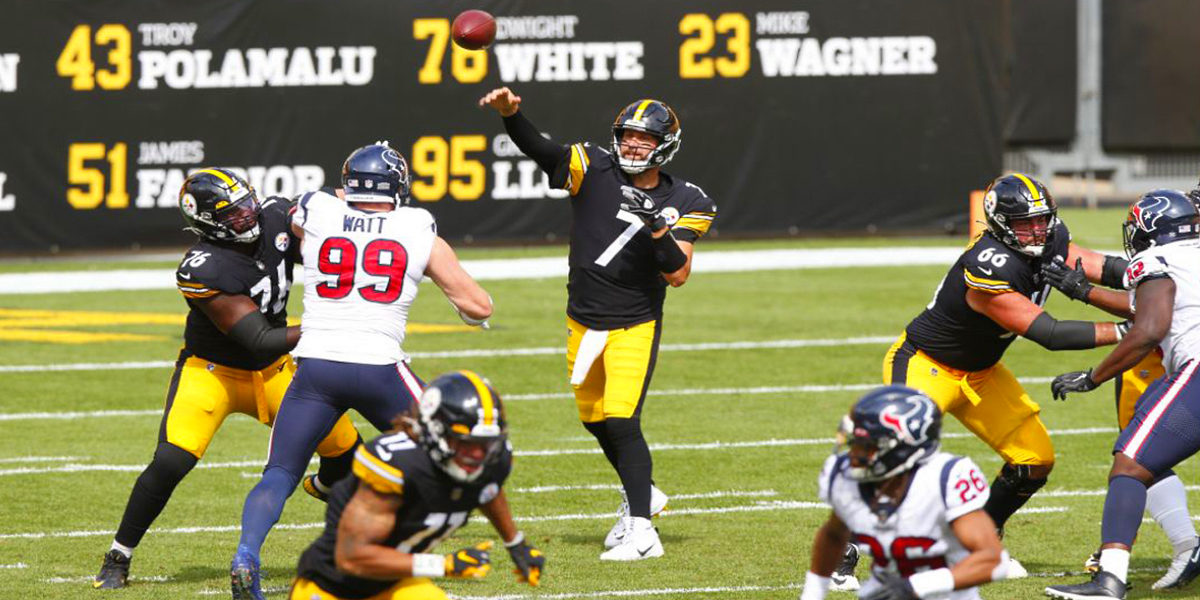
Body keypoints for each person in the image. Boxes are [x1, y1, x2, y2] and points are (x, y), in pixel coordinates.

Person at [230, 143, 494, 599]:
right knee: (444, 457)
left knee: (279, 473)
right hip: (379, 368)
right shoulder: (417, 227)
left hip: (316, 367)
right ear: (398, 186)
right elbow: (477, 306)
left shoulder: (318, 208)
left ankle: (246, 554)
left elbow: (302, 215)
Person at [92, 168, 362, 589]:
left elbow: (330, 202)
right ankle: (118, 555)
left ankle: (326, 485)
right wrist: (326, 323)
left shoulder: (273, 215)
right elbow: (259, 339)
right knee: (171, 461)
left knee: (346, 448)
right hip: (214, 372)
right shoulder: (202, 267)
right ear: (208, 224)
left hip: (273, 373)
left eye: (247, 204)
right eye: (233, 215)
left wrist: (362, 196)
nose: (248, 216)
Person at [479, 87, 717, 560]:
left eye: (643, 139)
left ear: (665, 144)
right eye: (627, 137)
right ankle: (644, 494)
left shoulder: (689, 198)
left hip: (634, 322)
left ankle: (643, 531)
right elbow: (542, 149)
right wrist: (512, 115)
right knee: (593, 420)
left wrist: (656, 227)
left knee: (622, 420)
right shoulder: (592, 165)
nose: (631, 146)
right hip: (582, 319)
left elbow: (678, 273)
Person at [875, 173, 1128, 585]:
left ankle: (981, 541)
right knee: (899, 458)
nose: (1039, 230)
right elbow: (1049, 333)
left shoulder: (1049, 238)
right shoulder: (989, 262)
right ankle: (846, 552)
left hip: (981, 373)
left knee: (1035, 460)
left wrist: (1149, 278)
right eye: (1026, 222)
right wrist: (1130, 331)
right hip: (926, 364)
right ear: (1000, 222)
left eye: (1043, 219)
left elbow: (1099, 266)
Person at [1046, 190, 1200, 599]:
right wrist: (1085, 292)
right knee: (1146, 413)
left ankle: (1108, 578)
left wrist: (1093, 377)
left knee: (1130, 465)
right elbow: (1150, 305)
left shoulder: (1158, 259)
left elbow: (1149, 327)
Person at [288, 370, 545, 600]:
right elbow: (351, 557)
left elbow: (487, 488)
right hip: (332, 587)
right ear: (435, 431)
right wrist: (442, 565)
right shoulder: (399, 466)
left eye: (485, 444)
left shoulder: (490, 460)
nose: (478, 455)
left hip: (395, 583)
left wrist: (515, 541)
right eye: (466, 443)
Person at [801, 385, 1007, 600]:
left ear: (902, 448)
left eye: (867, 446)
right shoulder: (845, 476)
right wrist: (812, 594)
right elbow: (834, 534)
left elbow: (992, 560)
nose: (854, 455)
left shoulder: (946, 479)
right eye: (854, 444)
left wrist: (915, 586)